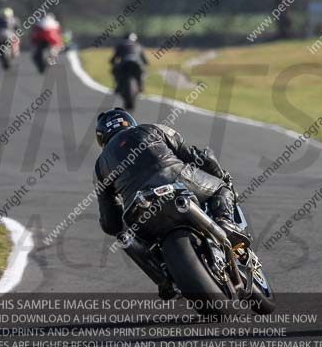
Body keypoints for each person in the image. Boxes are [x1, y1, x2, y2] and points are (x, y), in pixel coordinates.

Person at [94, 108, 247, 299]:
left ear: (101, 138)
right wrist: (221, 175)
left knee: (127, 238)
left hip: (141, 209)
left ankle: (163, 278)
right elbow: (199, 156)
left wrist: (117, 224)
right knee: (221, 188)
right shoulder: (152, 128)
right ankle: (225, 222)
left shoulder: (100, 167)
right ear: (129, 121)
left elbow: (111, 222)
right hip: (178, 179)